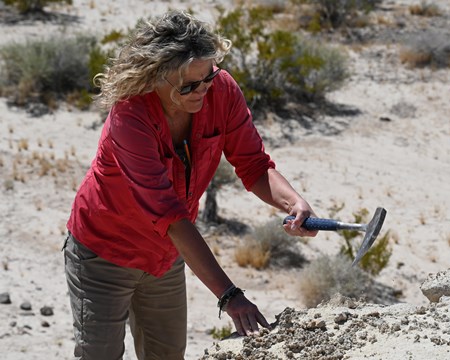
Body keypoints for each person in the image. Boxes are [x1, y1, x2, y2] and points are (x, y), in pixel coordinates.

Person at [63, 10, 317, 360]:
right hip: (104, 254)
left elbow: (254, 165)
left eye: (207, 77)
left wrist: (293, 202)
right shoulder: (130, 117)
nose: (202, 91)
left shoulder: (222, 91)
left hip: (166, 256)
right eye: (188, 85)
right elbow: (170, 216)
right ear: (153, 76)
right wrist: (229, 295)